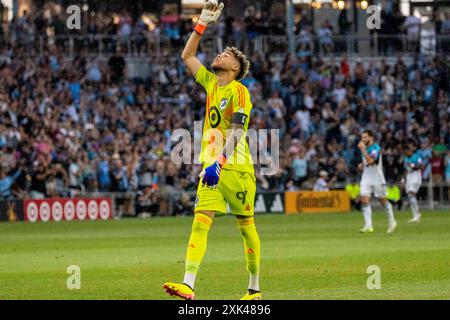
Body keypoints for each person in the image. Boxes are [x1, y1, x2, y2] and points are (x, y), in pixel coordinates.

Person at [163, 1, 260, 301]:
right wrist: (201, 22)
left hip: (236, 167)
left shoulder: (239, 90)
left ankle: (254, 289)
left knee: (246, 228)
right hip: (212, 168)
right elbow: (187, 55)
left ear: (234, 67)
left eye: (227, 54)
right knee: (200, 221)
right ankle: (188, 284)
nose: (220, 54)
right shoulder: (210, 83)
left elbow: (239, 130)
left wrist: (220, 160)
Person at [357, 130, 397, 234]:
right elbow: (366, 161)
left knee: (382, 201)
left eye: (365, 137)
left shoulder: (376, 148)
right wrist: (362, 164)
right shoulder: (365, 148)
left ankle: (392, 221)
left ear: (371, 137)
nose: (363, 139)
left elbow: (371, 161)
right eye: (362, 137)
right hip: (366, 177)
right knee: (364, 199)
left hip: (377, 178)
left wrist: (363, 150)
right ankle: (368, 225)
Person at [402, 142, 423, 223]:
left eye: (406, 152)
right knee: (410, 196)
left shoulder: (417, 156)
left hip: (416, 176)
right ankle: (416, 216)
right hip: (409, 176)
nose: (405, 153)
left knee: (411, 193)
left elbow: (421, 166)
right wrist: (403, 179)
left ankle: (416, 214)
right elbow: (406, 169)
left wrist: (413, 166)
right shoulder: (406, 158)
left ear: (409, 151)